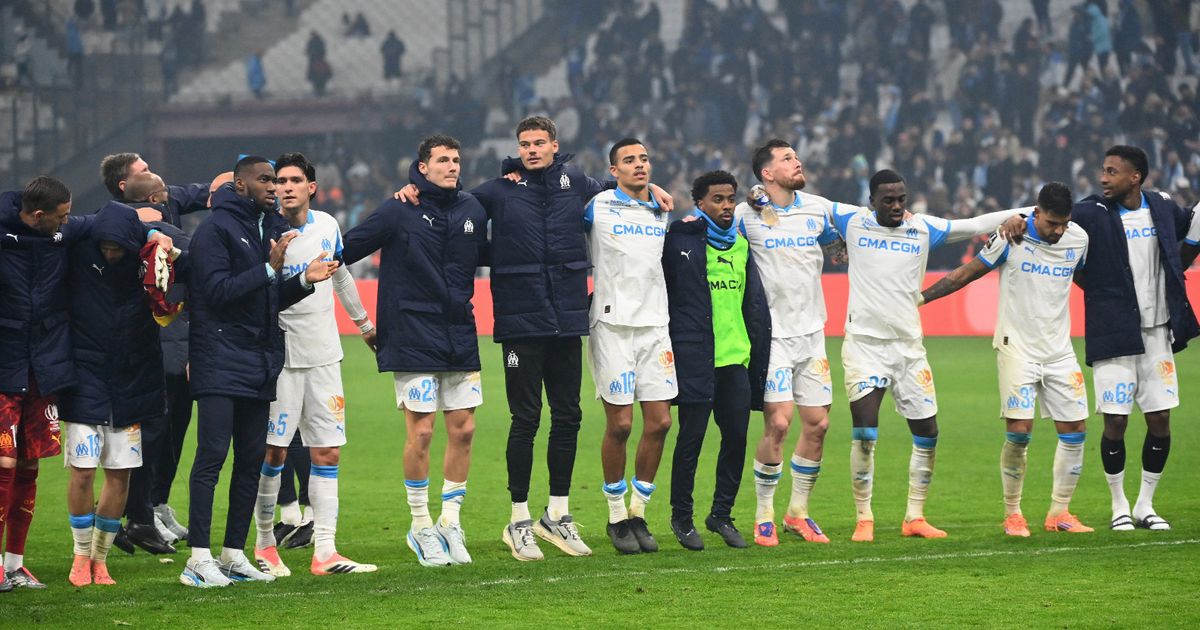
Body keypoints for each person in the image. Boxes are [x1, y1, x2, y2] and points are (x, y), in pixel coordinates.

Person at [394, 116, 672, 562]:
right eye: (524, 144)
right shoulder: (499, 190)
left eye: (539, 142)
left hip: (567, 320)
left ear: (554, 145)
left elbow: (615, 186)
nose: (531, 150)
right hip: (520, 323)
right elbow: (452, 200)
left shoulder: (575, 182)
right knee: (525, 419)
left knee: (568, 416)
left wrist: (649, 188)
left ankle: (557, 514)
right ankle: (518, 520)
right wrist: (413, 186)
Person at [828, 169, 1023, 542]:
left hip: (909, 348)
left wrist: (1025, 213)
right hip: (865, 345)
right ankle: (864, 518)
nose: (897, 206)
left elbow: (973, 225)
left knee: (927, 432)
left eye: (901, 198)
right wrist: (760, 197)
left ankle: (914, 516)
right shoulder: (852, 220)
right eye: (888, 200)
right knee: (865, 431)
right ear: (871, 201)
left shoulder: (921, 228)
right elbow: (807, 207)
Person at [0, 176, 171, 591]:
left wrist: (154, 233)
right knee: (5, 466)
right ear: (37, 214)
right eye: (60, 217)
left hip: (45, 369)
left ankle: (16, 565)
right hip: (13, 363)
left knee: (29, 466)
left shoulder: (67, 232)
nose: (66, 223)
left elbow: (107, 219)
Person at [180, 156, 338, 588]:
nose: (273, 187)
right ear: (240, 185)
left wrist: (303, 280)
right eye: (265, 180)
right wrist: (269, 268)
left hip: (258, 360)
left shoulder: (260, 228)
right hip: (219, 358)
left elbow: (264, 298)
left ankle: (233, 554)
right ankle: (198, 557)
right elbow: (217, 292)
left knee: (250, 460)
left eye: (275, 180)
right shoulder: (214, 230)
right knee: (212, 458)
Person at [343, 136, 487, 567]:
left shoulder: (473, 209)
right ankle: (420, 524)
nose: (452, 166)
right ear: (422, 167)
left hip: (459, 331)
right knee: (421, 432)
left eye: (456, 159)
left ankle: (450, 521)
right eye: (443, 160)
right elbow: (345, 248)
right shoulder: (397, 209)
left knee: (464, 430)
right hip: (412, 333)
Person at [920, 182, 1094, 536]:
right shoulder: (1011, 237)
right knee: (1019, 431)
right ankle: (1013, 514)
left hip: (1060, 351)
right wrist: (919, 300)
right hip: (1017, 348)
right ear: (1036, 213)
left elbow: (1085, 279)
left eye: (1064, 223)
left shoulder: (1078, 239)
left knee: (1075, 429)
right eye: (1052, 224)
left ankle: (1059, 512)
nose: (1058, 231)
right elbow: (965, 274)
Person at [1056, 146, 1198, 531]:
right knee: (1115, 421)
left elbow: (1188, 231)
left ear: (1135, 177)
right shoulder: (1091, 213)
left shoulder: (1162, 207)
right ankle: (1118, 504)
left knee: (1161, 420)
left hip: (1157, 333)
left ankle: (1145, 504)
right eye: (1103, 170)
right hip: (1114, 333)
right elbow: (1053, 218)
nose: (1103, 178)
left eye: (1112, 171)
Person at [249, 152, 376, 577]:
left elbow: (341, 275)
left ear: (311, 187)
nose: (285, 187)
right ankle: (265, 545)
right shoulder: (264, 231)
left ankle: (325, 551)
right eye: (280, 181)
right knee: (274, 451)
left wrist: (364, 325)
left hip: (324, 356)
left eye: (294, 180)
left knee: (327, 451)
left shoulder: (327, 225)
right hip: (281, 357)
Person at [738, 139, 844, 547]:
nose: (797, 162)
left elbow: (840, 246)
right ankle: (763, 513)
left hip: (812, 333)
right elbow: (710, 223)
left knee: (818, 424)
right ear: (767, 173)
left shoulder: (817, 208)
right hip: (772, 337)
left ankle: (797, 512)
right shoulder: (746, 214)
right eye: (787, 159)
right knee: (779, 423)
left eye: (796, 156)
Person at [63, 201, 175, 586]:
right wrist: (148, 231)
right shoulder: (80, 249)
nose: (111, 253)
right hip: (85, 380)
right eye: (106, 247)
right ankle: (80, 557)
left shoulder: (145, 261)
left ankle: (100, 559)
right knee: (82, 472)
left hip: (132, 382)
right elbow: (72, 222)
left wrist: (155, 235)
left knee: (120, 476)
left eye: (117, 247)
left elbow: (185, 254)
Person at [663, 170, 771, 551]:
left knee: (737, 438)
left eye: (730, 199)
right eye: (717, 200)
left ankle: (721, 514)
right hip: (696, 357)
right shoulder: (681, 240)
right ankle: (682, 516)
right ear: (700, 203)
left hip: (735, 358)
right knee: (691, 439)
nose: (726, 206)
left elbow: (750, 303)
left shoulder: (740, 245)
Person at [586, 138, 674, 555]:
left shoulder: (661, 208)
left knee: (660, 422)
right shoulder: (597, 205)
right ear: (613, 170)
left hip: (655, 326)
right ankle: (616, 515)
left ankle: (639, 512)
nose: (639, 164)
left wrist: (653, 192)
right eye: (629, 160)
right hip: (612, 325)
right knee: (620, 425)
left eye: (643, 158)